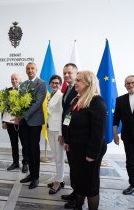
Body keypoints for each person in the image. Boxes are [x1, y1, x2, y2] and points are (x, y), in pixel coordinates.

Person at [63, 71, 107, 210]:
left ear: (89, 83)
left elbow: (98, 131)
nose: (75, 82)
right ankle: (78, 206)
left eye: (79, 80)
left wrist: (92, 154)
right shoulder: (77, 99)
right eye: (76, 80)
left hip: (90, 149)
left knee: (90, 184)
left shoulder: (96, 101)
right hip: (76, 147)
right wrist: (67, 140)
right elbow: (68, 120)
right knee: (78, 180)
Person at [12, 62, 47, 189]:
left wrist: (23, 115)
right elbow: (20, 102)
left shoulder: (42, 83)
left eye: (32, 68)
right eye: (28, 68)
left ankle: (36, 177)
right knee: (26, 149)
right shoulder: (24, 84)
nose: (30, 70)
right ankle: (30, 174)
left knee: (34, 150)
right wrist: (17, 114)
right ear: (26, 71)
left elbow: (38, 102)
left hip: (34, 122)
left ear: (36, 70)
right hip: (23, 123)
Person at [60, 63, 78, 209]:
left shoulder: (79, 90)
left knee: (77, 169)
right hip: (68, 135)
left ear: (76, 73)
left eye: (69, 73)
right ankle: (75, 192)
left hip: (76, 136)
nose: (66, 75)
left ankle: (78, 198)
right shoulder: (66, 88)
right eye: (64, 73)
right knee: (72, 166)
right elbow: (65, 113)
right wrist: (64, 135)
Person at [2, 73, 28, 173]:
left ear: (20, 79)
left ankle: (25, 163)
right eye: (12, 79)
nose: (14, 81)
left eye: (16, 79)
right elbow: (3, 107)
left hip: (23, 123)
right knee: (14, 144)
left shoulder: (25, 91)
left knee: (24, 144)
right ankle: (15, 162)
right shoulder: (7, 91)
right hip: (10, 123)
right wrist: (4, 121)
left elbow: (27, 107)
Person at [46, 75, 65, 194]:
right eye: (52, 83)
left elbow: (63, 115)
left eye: (57, 83)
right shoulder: (50, 95)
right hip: (50, 129)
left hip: (58, 131)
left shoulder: (61, 96)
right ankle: (60, 179)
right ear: (49, 84)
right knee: (55, 155)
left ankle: (58, 182)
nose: (54, 85)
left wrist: (61, 133)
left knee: (59, 158)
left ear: (60, 84)